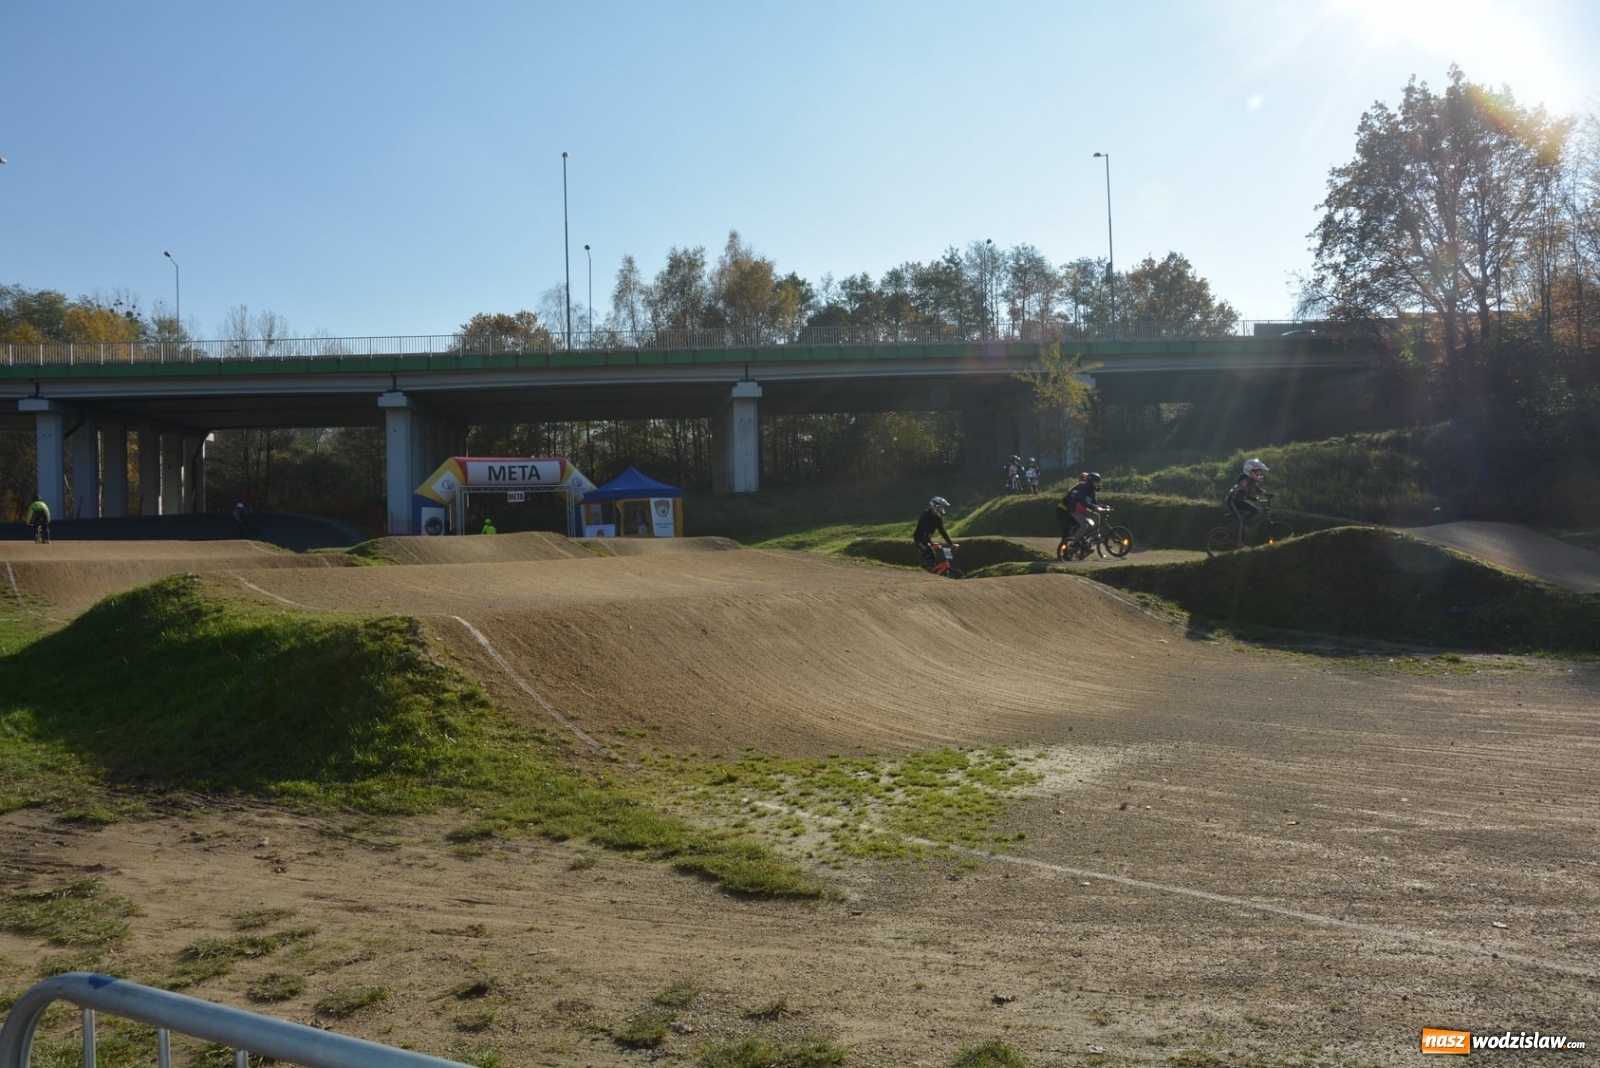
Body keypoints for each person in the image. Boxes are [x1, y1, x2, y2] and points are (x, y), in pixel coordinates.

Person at [1227, 458, 1273, 548]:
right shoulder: (1245, 481)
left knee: (1255, 510)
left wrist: (1267, 495)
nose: (1259, 474)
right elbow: (1240, 494)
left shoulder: (1250, 481)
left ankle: (1244, 525)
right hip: (1233, 501)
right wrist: (1252, 498)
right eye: (1257, 472)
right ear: (1250, 471)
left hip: (1239, 501)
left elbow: (1258, 490)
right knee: (1241, 522)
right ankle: (1239, 544)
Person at [1057, 472, 1105, 556]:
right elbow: (1080, 502)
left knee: (1082, 526)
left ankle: (1083, 546)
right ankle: (1066, 552)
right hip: (1064, 512)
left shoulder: (1087, 489)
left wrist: (1100, 506)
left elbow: (1091, 501)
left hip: (1075, 510)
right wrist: (1092, 507)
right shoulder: (1078, 490)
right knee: (1066, 532)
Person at [913, 496, 955, 570]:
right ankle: (920, 572)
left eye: (942, 508)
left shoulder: (938, 518)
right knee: (931, 556)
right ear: (934, 506)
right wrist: (931, 544)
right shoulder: (926, 516)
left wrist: (951, 544)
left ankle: (929, 571)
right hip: (919, 539)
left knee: (934, 559)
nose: (942, 510)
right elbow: (924, 533)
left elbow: (942, 531)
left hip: (926, 538)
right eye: (940, 508)